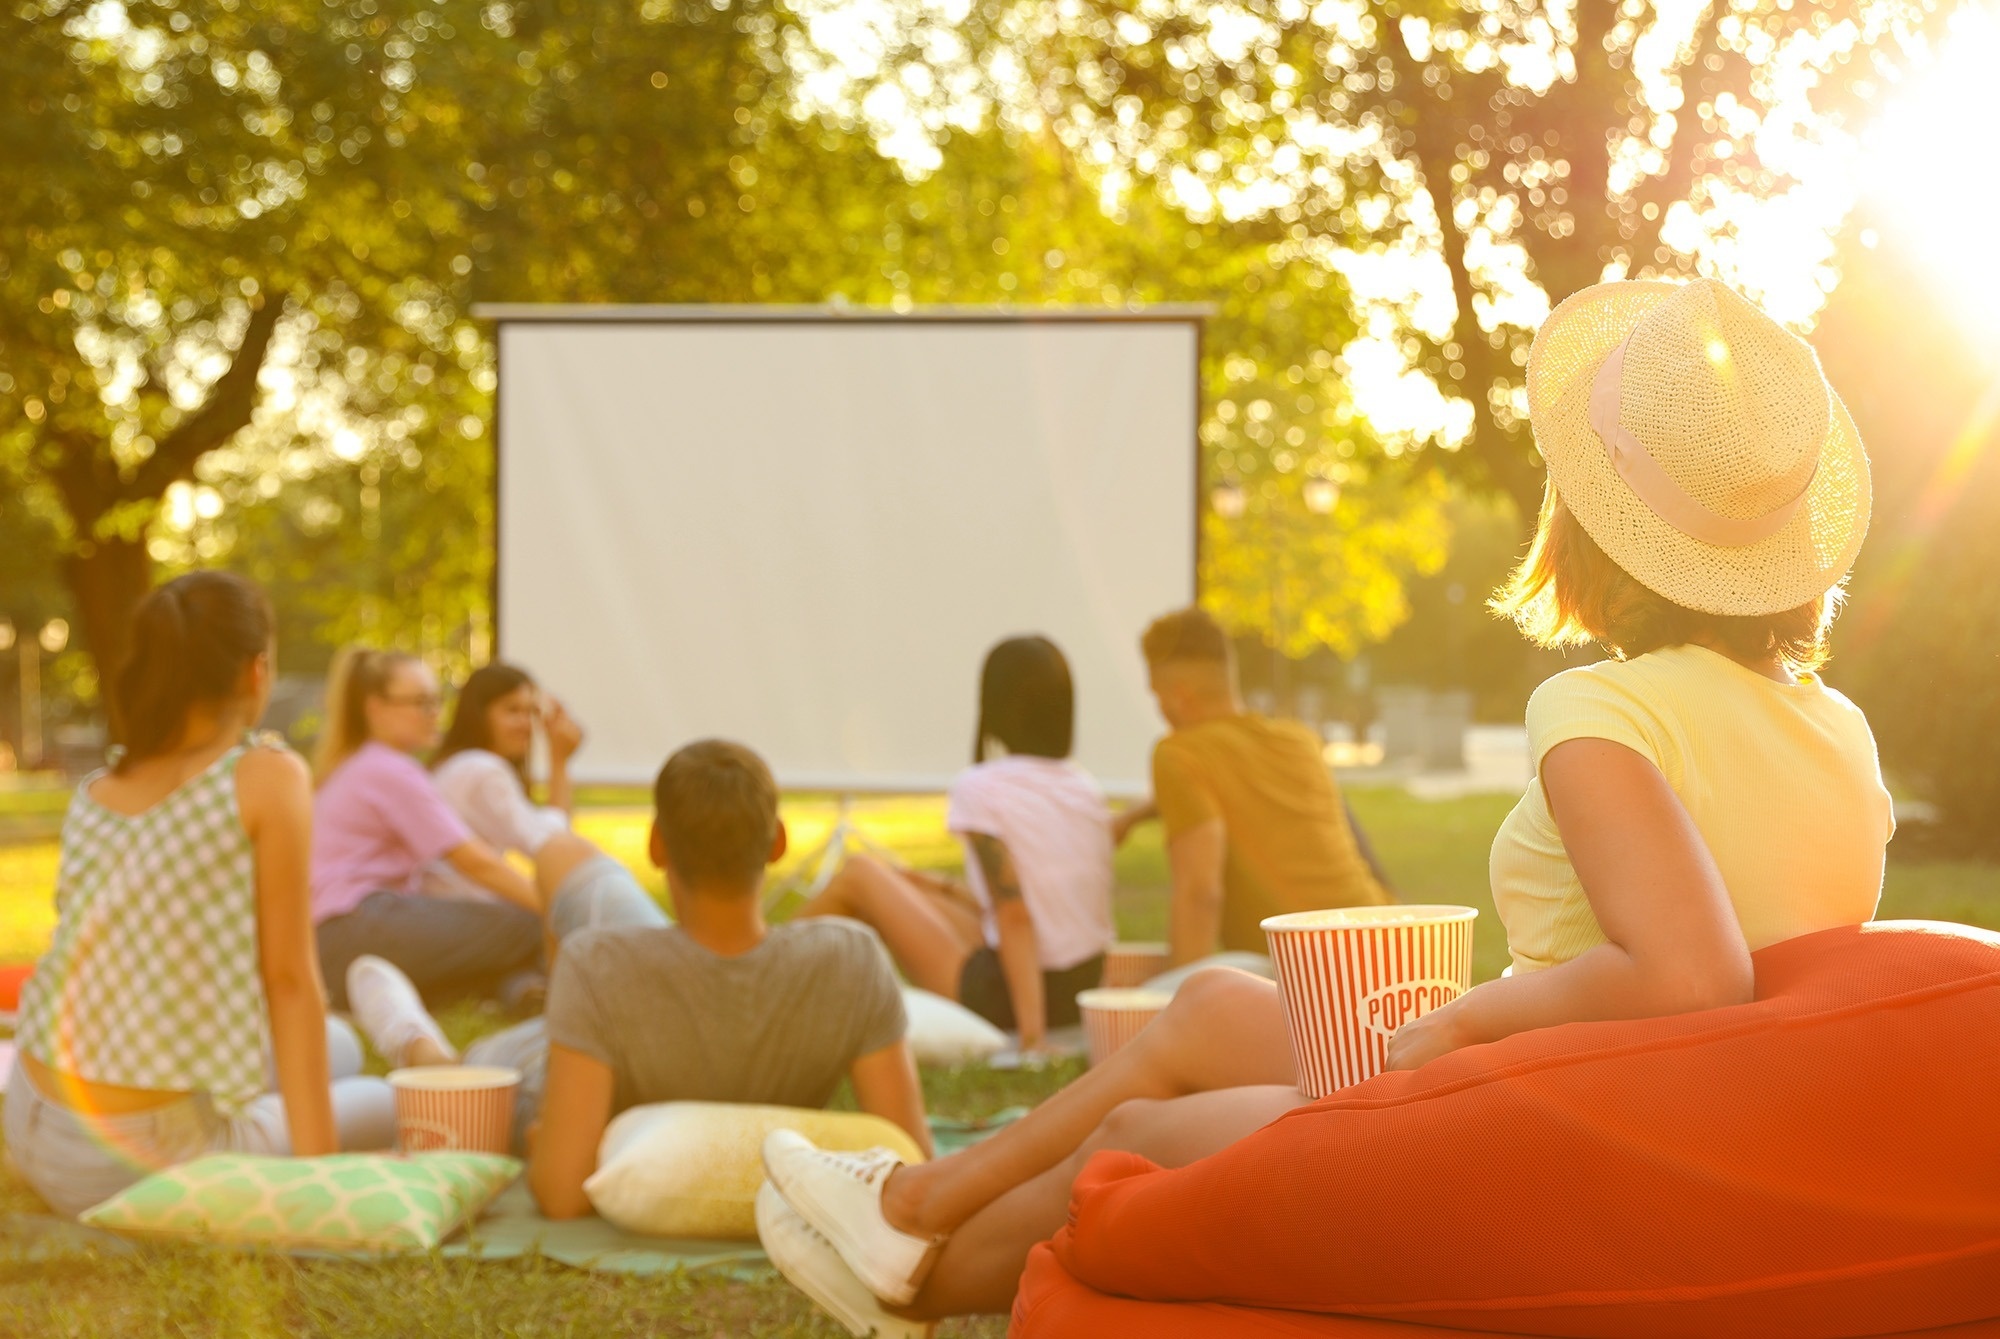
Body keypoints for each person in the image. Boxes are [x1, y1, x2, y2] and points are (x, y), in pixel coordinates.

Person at [757, 277, 1894, 1323]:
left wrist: (1457, 1021)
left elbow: (1690, 975)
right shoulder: (1839, 731)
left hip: (1556, 1128)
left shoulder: (1599, 710)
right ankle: (914, 1198)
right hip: (1675, 1127)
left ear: (1593, 524)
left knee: (1137, 1135)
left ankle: (902, 1288)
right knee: (1206, 1006)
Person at [343, 738, 932, 1223]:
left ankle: (413, 1038)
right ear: (777, 843)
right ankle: (549, 1027)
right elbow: (912, 1158)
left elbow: (562, 1193)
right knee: (562, 861)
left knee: (460, 1080)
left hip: (570, 1058)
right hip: (609, 1023)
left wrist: (550, 1137)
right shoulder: (851, 959)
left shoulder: (598, 966)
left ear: (655, 847)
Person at [4, 573, 395, 1218]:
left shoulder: (99, 789)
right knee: (381, 1099)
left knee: (341, 1047)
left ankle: (390, 1031)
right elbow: (291, 981)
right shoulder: (266, 777)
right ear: (256, 671)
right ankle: (407, 1038)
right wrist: (325, 1184)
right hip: (131, 1162)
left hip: (31, 1116)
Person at [792, 637, 1115, 1050]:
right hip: (1076, 992)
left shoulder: (981, 787)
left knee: (859, 875)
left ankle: (761, 970)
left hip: (1013, 998)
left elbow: (1014, 912)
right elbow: (1047, 900)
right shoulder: (1083, 787)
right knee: (897, 883)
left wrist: (1032, 1038)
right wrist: (933, 887)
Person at [1113, 606, 1391, 968]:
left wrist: (1179, 1003)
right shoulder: (1297, 742)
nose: (1159, 708)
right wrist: (1130, 818)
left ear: (1179, 695)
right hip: (1385, 942)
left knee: (1156, 1002)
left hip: (1316, 971)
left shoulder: (1178, 754)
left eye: (1157, 695)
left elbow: (1200, 896)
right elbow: (1226, 788)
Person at [309, 648, 553, 1010]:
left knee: (484, 946)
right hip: (354, 925)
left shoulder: (359, 764)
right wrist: (557, 907)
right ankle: (527, 985)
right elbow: (475, 862)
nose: (434, 713)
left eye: (437, 701)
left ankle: (520, 991)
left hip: (330, 942)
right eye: (421, 702)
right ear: (375, 708)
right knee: (526, 927)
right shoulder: (390, 770)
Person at [426, 662, 664, 941]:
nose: (526, 724)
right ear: (479, 714)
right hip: (460, 913)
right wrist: (559, 761)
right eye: (512, 710)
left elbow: (554, 845)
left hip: (450, 911)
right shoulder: (482, 769)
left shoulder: (457, 765)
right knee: (577, 928)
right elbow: (551, 845)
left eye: (530, 712)